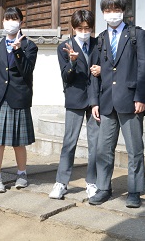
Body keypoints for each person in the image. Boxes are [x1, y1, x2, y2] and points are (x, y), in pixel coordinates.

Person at [89, 0, 145, 208]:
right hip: (106, 101)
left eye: (116, 10)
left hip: (131, 100)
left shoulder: (137, 35)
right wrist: (94, 102)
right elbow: (94, 72)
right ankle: (103, 187)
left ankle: (134, 191)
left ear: (124, 11)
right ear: (103, 13)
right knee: (103, 148)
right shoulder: (100, 39)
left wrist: (141, 97)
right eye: (108, 11)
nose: (112, 14)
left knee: (135, 149)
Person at [0, 6, 38, 193]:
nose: (10, 23)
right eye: (7, 19)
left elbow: (28, 71)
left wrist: (18, 52)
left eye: (14, 19)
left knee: (18, 142)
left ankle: (22, 174)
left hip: (18, 97)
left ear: (21, 22)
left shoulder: (30, 45)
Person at [49, 10, 101, 200]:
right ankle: (61, 183)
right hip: (74, 99)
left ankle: (92, 182)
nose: (84, 32)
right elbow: (65, 76)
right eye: (80, 28)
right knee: (69, 142)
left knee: (95, 143)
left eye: (87, 28)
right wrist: (72, 62)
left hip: (96, 100)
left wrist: (101, 70)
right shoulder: (65, 46)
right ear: (73, 28)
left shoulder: (98, 44)